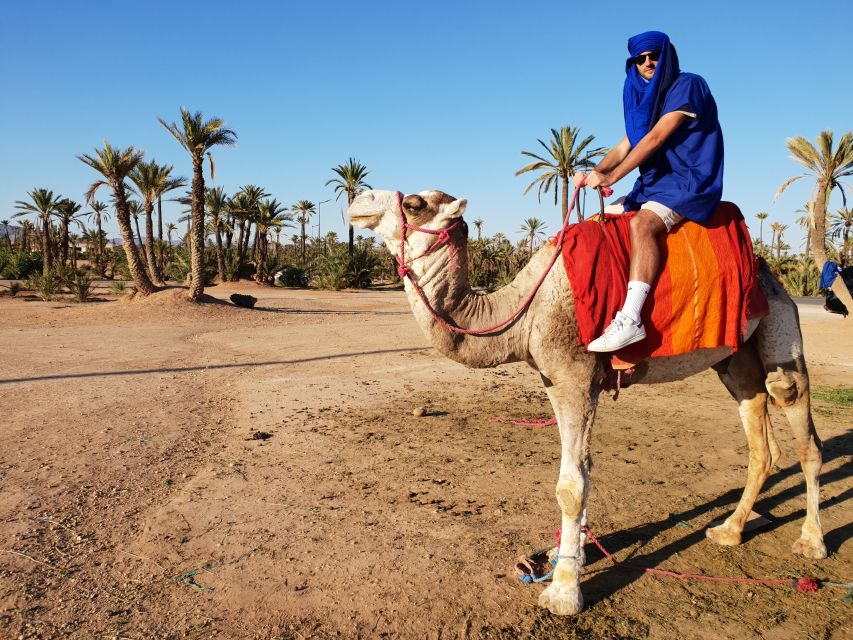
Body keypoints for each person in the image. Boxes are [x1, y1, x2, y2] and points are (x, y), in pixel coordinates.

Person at [574, 30, 724, 352]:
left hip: (688, 181)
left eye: (653, 55)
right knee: (592, 224)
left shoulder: (688, 85)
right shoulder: (645, 99)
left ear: (666, 55)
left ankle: (631, 319)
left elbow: (655, 138)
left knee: (641, 225)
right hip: (654, 184)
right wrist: (596, 172)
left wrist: (612, 176)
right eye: (640, 58)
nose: (647, 62)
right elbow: (626, 143)